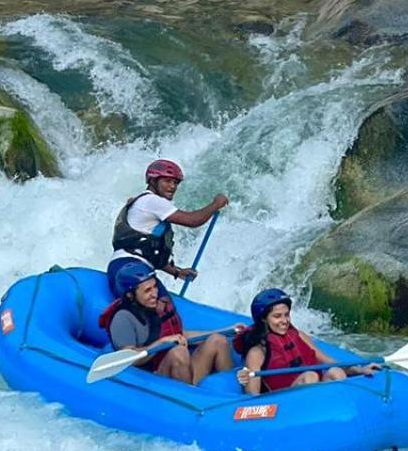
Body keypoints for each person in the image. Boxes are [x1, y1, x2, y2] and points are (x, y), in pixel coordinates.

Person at [107, 157, 229, 300]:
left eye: (175, 182)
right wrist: (216, 204)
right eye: (167, 181)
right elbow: (193, 221)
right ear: (152, 181)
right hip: (131, 266)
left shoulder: (145, 202)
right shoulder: (152, 201)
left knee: (161, 309)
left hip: (123, 266)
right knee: (164, 308)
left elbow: (146, 249)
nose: (172, 186)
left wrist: (176, 272)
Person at [99, 261, 234, 386]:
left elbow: (180, 336)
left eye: (154, 287)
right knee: (178, 353)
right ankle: (188, 403)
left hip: (181, 374)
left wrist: (226, 330)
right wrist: (162, 343)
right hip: (153, 380)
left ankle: (233, 397)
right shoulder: (122, 319)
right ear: (130, 295)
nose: (154, 294)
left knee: (218, 340)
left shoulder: (155, 307)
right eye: (147, 290)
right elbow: (129, 358)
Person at [235, 289, 381, 395]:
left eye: (287, 315)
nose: (284, 321)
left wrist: (360, 370)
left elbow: (328, 361)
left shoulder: (297, 335)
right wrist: (245, 380)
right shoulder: (257, 350)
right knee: (310, 376)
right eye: (277, 316)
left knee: (335, 372)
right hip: (283, 402)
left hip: (312, 393)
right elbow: (252, 396)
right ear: (263, 319)